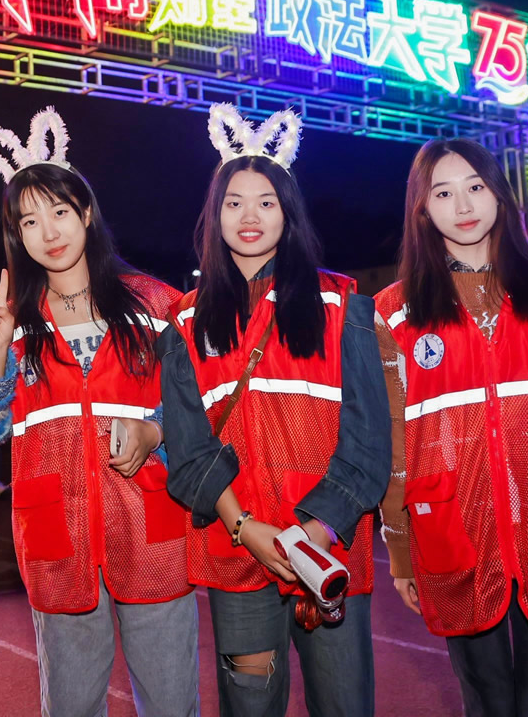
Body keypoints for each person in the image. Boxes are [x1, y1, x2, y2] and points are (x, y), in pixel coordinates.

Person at [375, 137, 528, 717]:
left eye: (476, 187)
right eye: (443, 193)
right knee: (486, 700)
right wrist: (400, 548)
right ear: (422, 209)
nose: (463, 205)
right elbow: (394, 440)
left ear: (500, 197)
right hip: (455, 530)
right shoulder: (394, 311)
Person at [162, 105, 390, 717]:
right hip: (238, 549)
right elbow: (188, 448)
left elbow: (368, 443)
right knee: (249, 707)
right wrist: (244, 527)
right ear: (215, 215)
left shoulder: (342, 305)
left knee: (344, 706)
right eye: (234, 202)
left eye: (266, 201)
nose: (250, 216)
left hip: (329, 548)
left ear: (288, 212)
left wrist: (314, 534)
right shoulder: (185, 320)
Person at [0, 108, 199, 717]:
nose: (48, 231)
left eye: (59, 211)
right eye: (29, 221)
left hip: (152, 530)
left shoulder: (157, 305)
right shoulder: (10, 321)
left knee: (172, 704)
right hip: (57, 538)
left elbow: (199, 412)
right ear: (16, 235)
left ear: (87, 213)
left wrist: (155, 430)